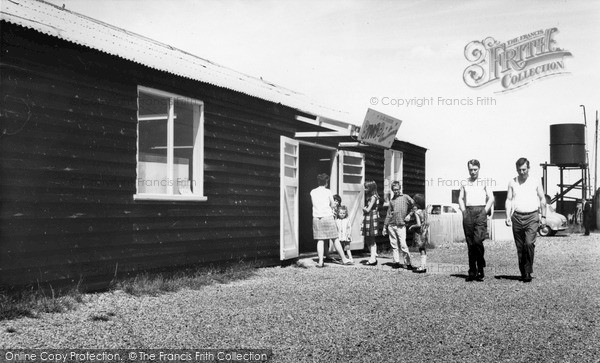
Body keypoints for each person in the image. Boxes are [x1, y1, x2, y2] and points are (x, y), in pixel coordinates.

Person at [505, 157, 546, 283]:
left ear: (528, 168)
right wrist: (507, 216)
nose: (522, 172)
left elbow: (542, 198)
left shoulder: (535, 181)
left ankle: (528, 271)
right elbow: (509, 200)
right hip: (517, 216)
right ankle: (523, 272)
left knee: (528, 243)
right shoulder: (512, 182)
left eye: (524, 169)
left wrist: (543, 217)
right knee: (520, 246)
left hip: (532, 216)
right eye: (519, 170)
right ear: (516, 169)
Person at [458, 159, 494, 281]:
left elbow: (491, 198)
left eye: (475, 169)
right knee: (470, 243)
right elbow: (460, 198)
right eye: (471, 169)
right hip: (468, 212)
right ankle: (473, 271)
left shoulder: (484, 182)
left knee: (478, 240)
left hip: (480, 212)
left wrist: (485, 211)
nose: (473, 172)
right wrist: (463, 211)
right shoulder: (464, 182)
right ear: (468, 169)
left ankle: (481, 263)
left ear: (479, 169)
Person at [310, 173, 352, 267]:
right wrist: (334, 205)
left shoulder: (313, 192)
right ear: (326, 182)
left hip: (317, 217)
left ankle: (320, 262)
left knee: (320, 240)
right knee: (335, 239)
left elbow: (314, 204)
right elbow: (332, 204)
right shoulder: (328, 191)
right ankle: (344, 259)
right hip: (328, 217)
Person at [382, 181, 415, 269]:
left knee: (403, 244)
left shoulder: (405, 197)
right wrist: (385, 227)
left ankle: (408, 263)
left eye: (397, 189)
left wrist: (409, 215)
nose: (396, 191)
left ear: (400, 188)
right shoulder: (392, 200)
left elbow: (414, 206)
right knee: (394, 245)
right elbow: (389, 214)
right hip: (392, 225)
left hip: (401, 225)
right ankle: (396, 262)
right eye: (394, 190)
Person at [405, 195, 428, 273]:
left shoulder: (417, 212)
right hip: (425, 231)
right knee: (423, 249)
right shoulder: (424, 211)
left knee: (421, 249)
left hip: (419, 232)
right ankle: (423, 265)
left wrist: (412, 226)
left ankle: (422, 267)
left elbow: (418, 224)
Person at [361, 180, 380, 265]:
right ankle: (373, 255)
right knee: (368, 237)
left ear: (371, 188)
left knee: (371, 238)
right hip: (369, 217)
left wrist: (364, 208)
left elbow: (368, 209)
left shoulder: (373, 197)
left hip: (371, 217)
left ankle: (373, 259)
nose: (364, 189)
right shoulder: (370, 196)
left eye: (366, 187)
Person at [324, 194, 343, 262]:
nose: (336, 203)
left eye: (338, 201)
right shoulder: (328, 208)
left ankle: (341, 255)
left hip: (335, 225)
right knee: (326, 240)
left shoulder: (338, 209)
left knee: (337, 240)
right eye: (335, 201)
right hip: (328, 224)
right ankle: (327, 255)